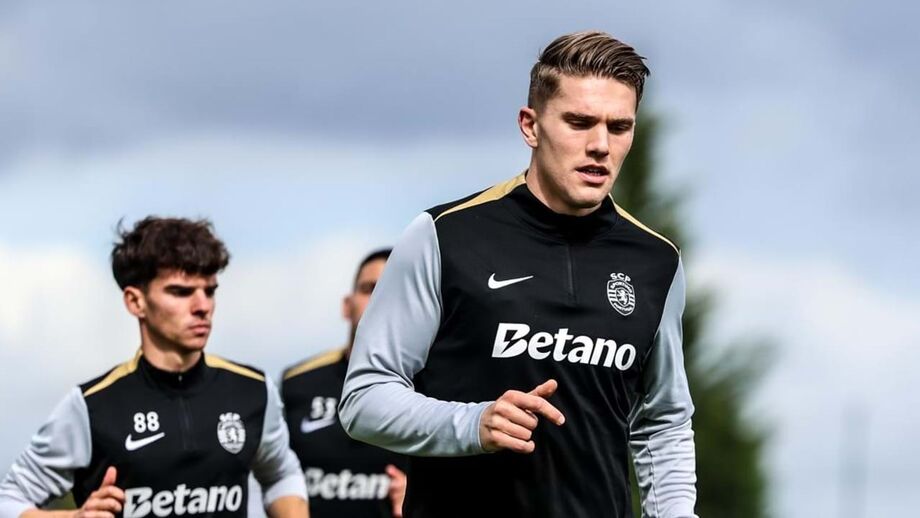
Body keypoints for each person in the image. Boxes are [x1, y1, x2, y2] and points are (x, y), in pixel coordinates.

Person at [339, 31, 697, 518]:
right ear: (530, 126)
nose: (600, 145)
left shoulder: (656, 262)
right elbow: (364, 399)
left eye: (619, 127)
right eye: (579, 122)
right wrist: (473, 423)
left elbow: (663, 424)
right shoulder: (444, 236)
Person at [0, 217, 309, 518]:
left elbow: (281, 474)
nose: (202, 306)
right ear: (136, 302)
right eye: (181, 292)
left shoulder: (252, 391)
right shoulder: (92, 407)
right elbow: (9, 500)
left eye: (209, 290)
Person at [281, 249, 407, 518]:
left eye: (392, 290)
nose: (379, 299)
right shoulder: (297, 382)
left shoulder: (433, 388)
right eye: (369, 289)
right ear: (347, 305)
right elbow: (271, 475)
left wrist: (424, 498)